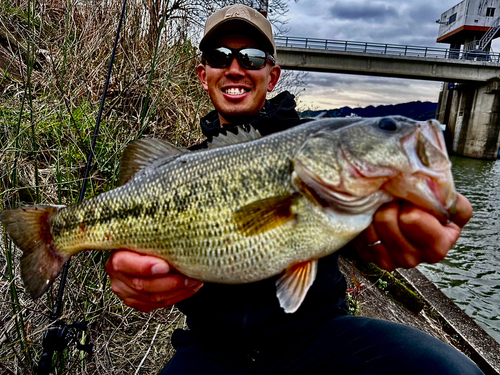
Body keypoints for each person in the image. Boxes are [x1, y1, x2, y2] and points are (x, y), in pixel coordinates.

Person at [105, 4, 481, 374]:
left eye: (252, 58)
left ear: (273, 76)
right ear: (204, 75)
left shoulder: (316, 152)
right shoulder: (179, 172)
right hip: (211, 350)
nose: (235, 68)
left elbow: (357, 224)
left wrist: (401, 214)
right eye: (220, 57)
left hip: (319, 339)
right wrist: (129, 275)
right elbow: (133, 252)